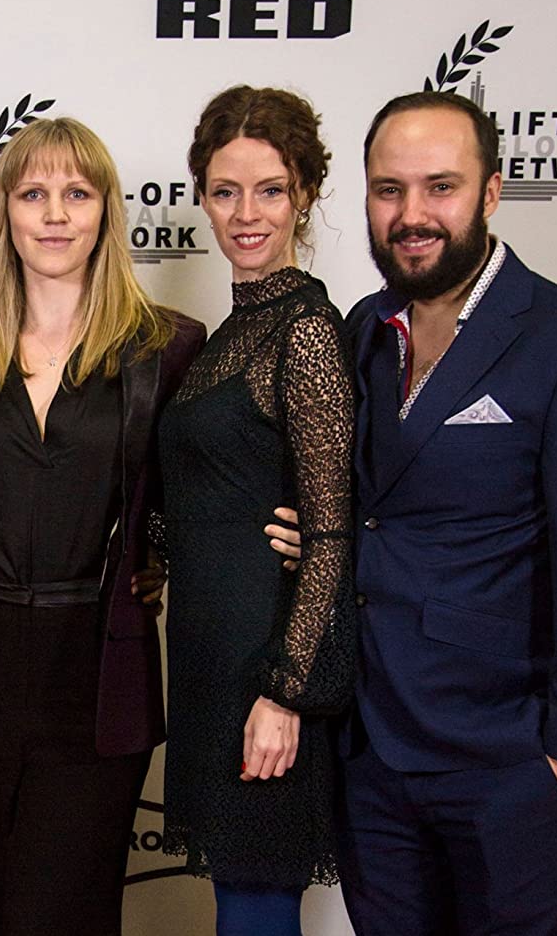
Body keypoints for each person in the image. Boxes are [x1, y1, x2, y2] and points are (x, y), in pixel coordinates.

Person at [271, 90, 557, 935]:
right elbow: (363, 504)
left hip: (508, 762)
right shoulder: (362, 329)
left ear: (490, 192)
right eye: (389, 190)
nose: (412, 214)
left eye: (439, 186)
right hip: (371, 749)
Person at [0, 116, 206, 935]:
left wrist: (285, 528)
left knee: (68, 911)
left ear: (106, 211)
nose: (55, 214)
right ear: (5, 213)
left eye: (77, 194)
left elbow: (205, 484)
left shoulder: (167, 347)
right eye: (34, 194)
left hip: (97, 670)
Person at [157, 86, 356, 936]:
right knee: (238, 900)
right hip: (210, 657)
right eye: (226, 191)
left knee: (256, 909)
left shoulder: (305, 329)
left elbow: (331, 529)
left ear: (303, 194)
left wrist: (285, 693)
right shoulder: (228, 333)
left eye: (270, 189)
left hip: (263, 668)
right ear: (202, 196)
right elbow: (207, 489)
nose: (246, 214)